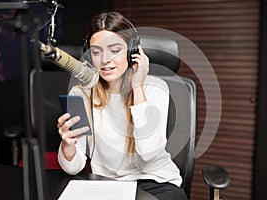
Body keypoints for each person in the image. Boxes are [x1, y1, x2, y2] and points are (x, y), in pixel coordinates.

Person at [57, 11, 188, 200]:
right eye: (96, 51)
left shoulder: (155, 89)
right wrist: (68, 145)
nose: (104, 60)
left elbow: (148, 153)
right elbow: (74, 167)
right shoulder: (80, 93)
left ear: (131, 50)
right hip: (105, 184)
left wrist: (137, 88)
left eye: (115, 49)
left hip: (155, 183)